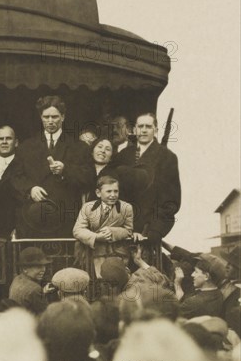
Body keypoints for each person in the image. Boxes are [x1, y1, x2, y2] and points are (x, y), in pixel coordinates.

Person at [11, 96, 93, 238]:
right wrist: (30, 189)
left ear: (63, 117)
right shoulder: (26, 147)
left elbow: (89, 177)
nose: (50, 121)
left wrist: (65, 170)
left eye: (54, 117)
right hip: (33, 219)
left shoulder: (79, 147)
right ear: (41, 118)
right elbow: (16, 177)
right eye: (46, 117)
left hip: (65, 218)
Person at [113, 112, 181, 249]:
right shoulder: (123, 156)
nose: (144, 130)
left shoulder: (167, 157)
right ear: (134, 130)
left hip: (148, 229)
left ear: (155, 130)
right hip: (122, 228)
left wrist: (155, 230)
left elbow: (171, 201)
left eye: (148, 126)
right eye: (140, 126)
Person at [73, 176, 133, 279]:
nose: (113, 195)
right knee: (94, 281)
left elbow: (128, 230)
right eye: (109, 191)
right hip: (92, 251)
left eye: (116, 191)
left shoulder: (126, 207)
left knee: (115, 278)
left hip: (116, 251)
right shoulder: (88, 207)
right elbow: (77, 230)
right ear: (98, 193)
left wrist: (112, 231)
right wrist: (96, 237)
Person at [0, 125, 20, 238]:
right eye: (0, 139)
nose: (4, 142)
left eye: (8, 138)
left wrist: (19, 227)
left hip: (15, 226)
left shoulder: (24, 165)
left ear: (16, 143)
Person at [9, 247, 51, 315]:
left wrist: (43, 293)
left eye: (44, 266)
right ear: (25, 269)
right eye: (38, 267)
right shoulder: (35, 289)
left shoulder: (17, 279)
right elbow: (46, 315)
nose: (43, 270)